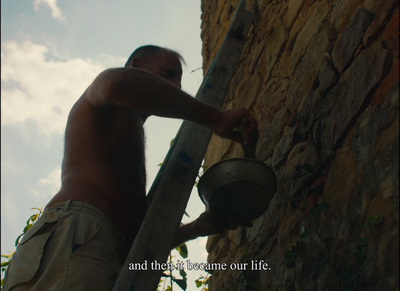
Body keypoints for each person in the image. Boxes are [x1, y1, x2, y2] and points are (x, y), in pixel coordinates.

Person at [3, 45, 258, 290]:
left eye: (179, 82)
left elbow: (136, 237)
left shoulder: (129, 134)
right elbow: (118, 83)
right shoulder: (104, 95)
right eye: (168, 73)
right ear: (136, 65)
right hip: (76, 234)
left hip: (105, 251)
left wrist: (197, 228)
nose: (176, 87)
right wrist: (216, 117)